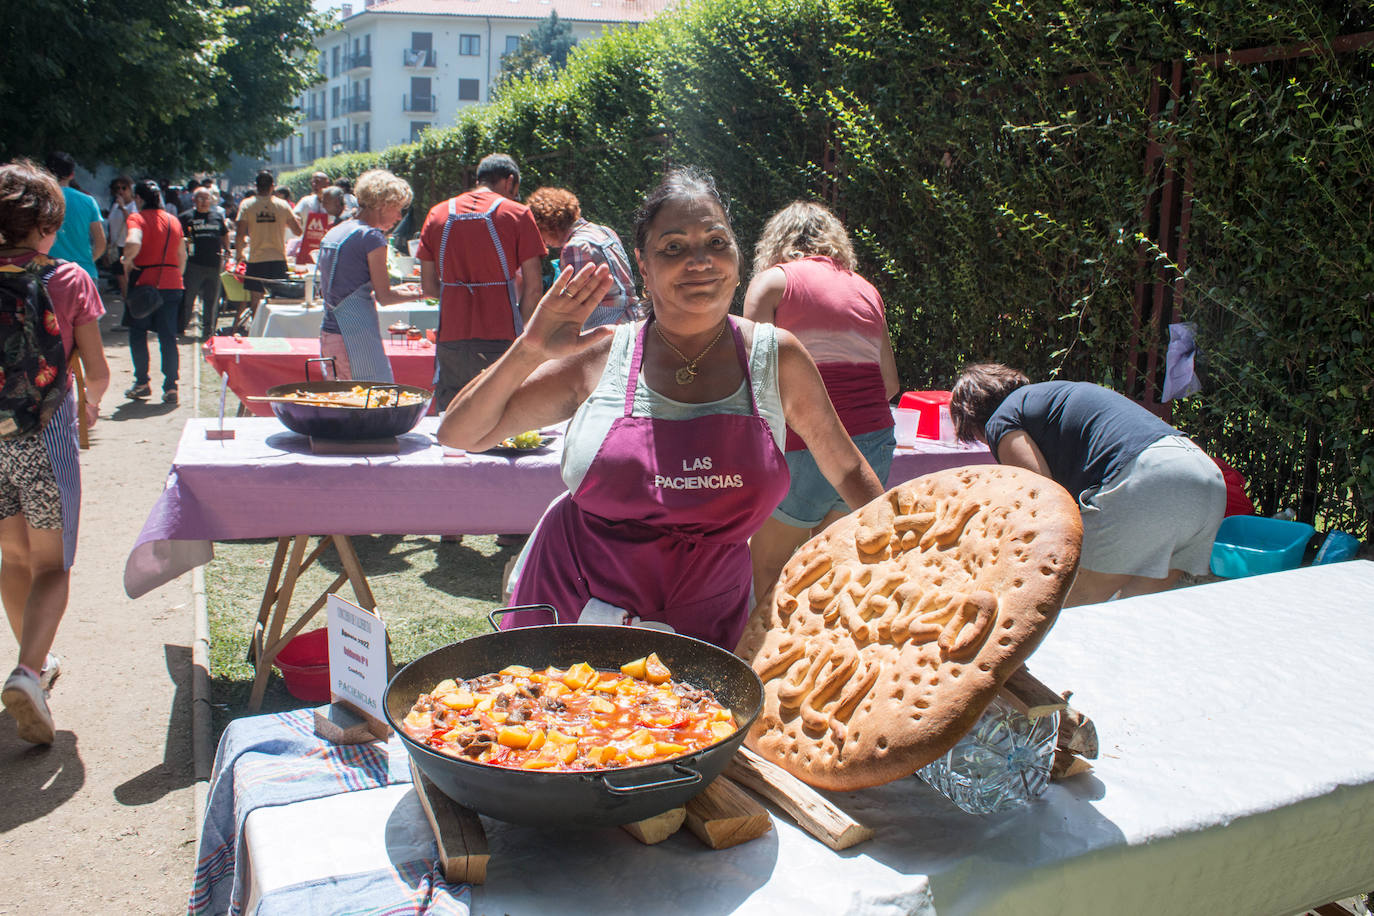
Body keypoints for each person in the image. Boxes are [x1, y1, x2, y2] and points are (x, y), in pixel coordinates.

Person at [436, 167, 885, 648]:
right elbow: (460, 434)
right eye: (673, 248)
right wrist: (530, 348)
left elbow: (848, 469)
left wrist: (899, 559)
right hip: (573, 603)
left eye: (717, 242)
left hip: (707, 618)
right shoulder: (605, 355)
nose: (700, 261)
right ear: (643, 266)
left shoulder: (776, 358)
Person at [948, 363, 1227, 606]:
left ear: (972, 419)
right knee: (1137, 614)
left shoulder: (1002, 420)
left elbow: (1041, 500)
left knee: (1069, 606)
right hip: (1204, 478)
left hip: (1150, 482)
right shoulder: (1050, 397)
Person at [0, 159, 111, 744]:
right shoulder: (67, 278)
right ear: (47, 222)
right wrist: (89, 406)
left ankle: (35, 668)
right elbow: (97, 371)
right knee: (51, 565)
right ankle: (26, 672)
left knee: (13, 561)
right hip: (43, 439)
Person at [743, 201, 900, 601]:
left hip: (803, 444)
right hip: (872, 446)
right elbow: (889, 383)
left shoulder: (773, 284)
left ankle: (769, 660)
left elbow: (751, 380)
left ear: (776, 241)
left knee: (767, 566)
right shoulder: (867, 290)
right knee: (833, 574)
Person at [418, 153, 545, 409]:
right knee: (498, 416)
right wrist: (524, 333)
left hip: (451, 337)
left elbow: (429, 287)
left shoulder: (437, 214)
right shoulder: (518, 214)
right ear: (510, 182)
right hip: (501, 335)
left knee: (452, 414)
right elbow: (533, 288)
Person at [316, 169, 424, 380]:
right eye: (398, 209)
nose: (399, 217)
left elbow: (344, 287)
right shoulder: (371, 237)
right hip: (354, 338)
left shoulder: (337, 231)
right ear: (383, 204)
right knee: (373, 402)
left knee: (341, 404)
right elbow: (385, 297)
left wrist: (398, 290)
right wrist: (425, 292)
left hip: (330, 335)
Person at [526, 187, 639, 328]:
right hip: (634, 318)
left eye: (539, 232)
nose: (543, 242)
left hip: (607, 326)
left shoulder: (575, 247)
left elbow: (575, 305)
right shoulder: (605, 231)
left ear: (546, 224)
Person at [122, 180, 186, 403]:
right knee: (168, 336)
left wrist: (127, 258)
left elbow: (133, 241)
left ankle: (142, 382)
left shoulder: (136, 218)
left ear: (138, 198)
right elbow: (182, 256)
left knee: (138, 333)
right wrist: (176, 275)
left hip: (144, 285)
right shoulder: (173, 221)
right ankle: (171, 387)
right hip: (172, 283)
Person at [234, 170, 301, 317]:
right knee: (278, 299)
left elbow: (240, 233)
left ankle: (257, 333)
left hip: (256, 258)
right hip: (278, 257)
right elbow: (298, 231)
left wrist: (238, 254)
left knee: (256, 301)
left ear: (255, 186)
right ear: (273, 186)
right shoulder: (282, 205)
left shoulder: (247, 205)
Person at [43, 152, 105, 282]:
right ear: (72, 175)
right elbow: (100, 243)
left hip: (49, 273)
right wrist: (86, 260)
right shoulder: (88, 201)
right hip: (84, 272)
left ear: (45, 172)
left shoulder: (40, 201)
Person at [180, 187, 230, 337]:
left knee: (211, 300)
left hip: (214, 264)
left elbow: (224, 234)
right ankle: (181, 327)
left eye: (206, 198)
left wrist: (226, 249)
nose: (204, 202)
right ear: (194, 200)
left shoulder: (217, 216)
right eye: (200, 199)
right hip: (194, 264)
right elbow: (182, 237)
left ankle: (208, 331)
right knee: (188, 298)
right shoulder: (186, 217)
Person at [105, 176, 137, 298]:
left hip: (127, 246)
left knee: (126, 280)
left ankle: (130, 307)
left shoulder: (133, 206)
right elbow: (111, 226)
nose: (120, 191)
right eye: (117, 188)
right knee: (120, 279)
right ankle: (127, 305)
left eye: (124, 188)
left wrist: (123, 207)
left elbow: (133, 223)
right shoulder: (114, 206)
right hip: (115, 246)